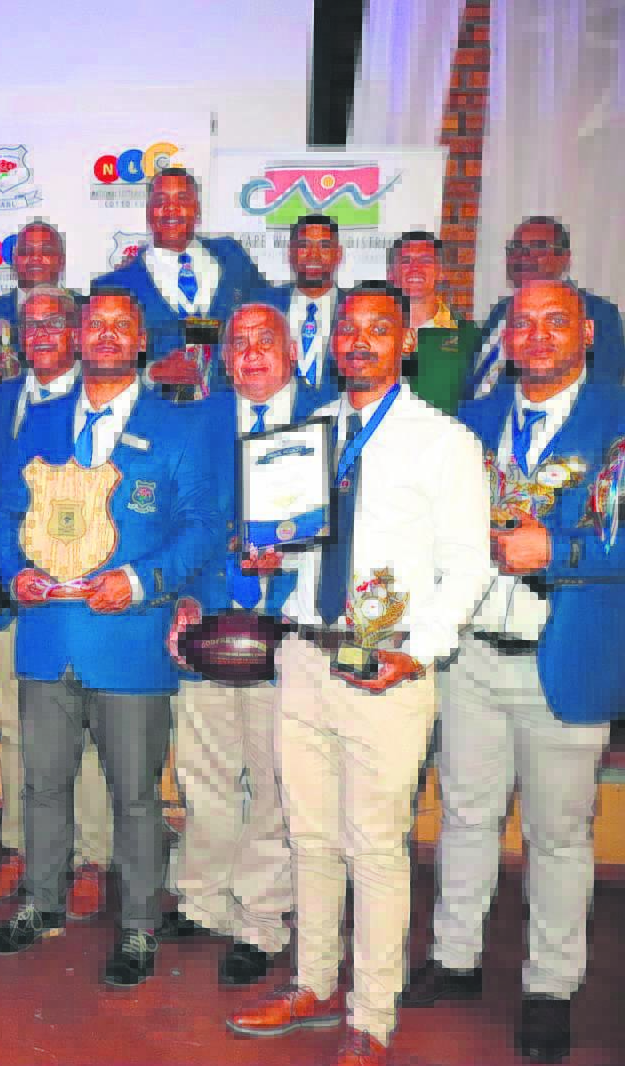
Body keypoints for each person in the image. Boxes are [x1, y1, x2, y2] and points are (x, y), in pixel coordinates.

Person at [226, 283, 491, 1066]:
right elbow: (311, 543)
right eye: (347, 328)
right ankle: (311, 984)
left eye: (378, 329)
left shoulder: (441, 441)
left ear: (405, 343)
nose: (358, 341)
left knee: (372, 846)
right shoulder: (310, 433)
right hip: (306, 652)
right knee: (308, 836)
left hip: (386, 662)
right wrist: (273, 555)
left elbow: (468, 563)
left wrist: (420, 651)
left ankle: (371, 1015)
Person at [401, 279, 625, 1065]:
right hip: (470, 653)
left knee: (557, 835)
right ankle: (455, 958)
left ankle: (549, 987)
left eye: (554, 322)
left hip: (563, 657)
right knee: (465, 813)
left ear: (586, 334)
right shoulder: (474, 419)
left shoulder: (617, 419)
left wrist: (558, 551)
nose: (535, 336)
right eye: (522, 323)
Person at [0, 286, 221, 990]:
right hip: (47, 634)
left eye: (122, 326)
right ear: (78, 338)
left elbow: (203, 526)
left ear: (142, 342)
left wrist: (142, 582)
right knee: (42, 786)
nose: (108, 335)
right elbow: (5, 511)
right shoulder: (41, 420)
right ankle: (41, 904)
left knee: (135, 797)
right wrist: (15, 571)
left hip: (129, 639)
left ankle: (139, 926)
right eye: (96, 325)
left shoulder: (178, 426)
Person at [162, 303, 322, 985]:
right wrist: (183, 598)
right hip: (207, 627)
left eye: (266, 341)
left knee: (275, 787)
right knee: (204, 776)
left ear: (292, 352)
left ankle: (259, 920)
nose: (252, 353)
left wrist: (296, 559)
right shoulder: (195, 421)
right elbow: (177, 519)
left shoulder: (328, 419)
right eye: (239, 343)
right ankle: (202, 901)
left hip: (287, 633)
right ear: (223, 358)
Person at [0, 287, 114, 918]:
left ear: (78, 332)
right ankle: (22, 845)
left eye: (54, 323)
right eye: (30, 325)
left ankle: (89, 857)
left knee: (84, 732)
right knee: (13, 726)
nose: (40, 334)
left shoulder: (103, 401)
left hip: (82, 598)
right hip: (15, 592)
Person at [94, 167, 266, 393]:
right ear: (148, 212)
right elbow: (99, 361)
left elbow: (271, 317)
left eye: (182, 198)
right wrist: (151, 372)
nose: (171, 208)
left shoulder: (232, 256)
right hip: (155, 410)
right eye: (161, 200)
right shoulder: (114, 286)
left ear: (198, 210)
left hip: (234, 405)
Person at [465, 216, 625, 401]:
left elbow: (601, 390)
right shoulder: (501, 310)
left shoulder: (597, 314)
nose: (523, 256)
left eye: (538, 247)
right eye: (516, 248)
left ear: (564, 258)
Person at [248, 214, 345, 408]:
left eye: (324, 246)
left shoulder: (354, 310)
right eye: (304, 245)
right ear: (290, 252)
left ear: (338, 254)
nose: (314, 255)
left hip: (338, 421)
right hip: (272, 419)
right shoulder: (260, 307)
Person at [387, 231, 480, 416]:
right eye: (406, 261)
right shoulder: (372, 332)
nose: (415, 268)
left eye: (426, 260)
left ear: (441, 272)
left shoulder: (468, 335)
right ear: (391, 274)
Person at [0, 220, 68, 374]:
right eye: (26, 251)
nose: (35, 258)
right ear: (14, 260)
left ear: (62, 261)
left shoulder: (85, 312)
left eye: (46, 251)